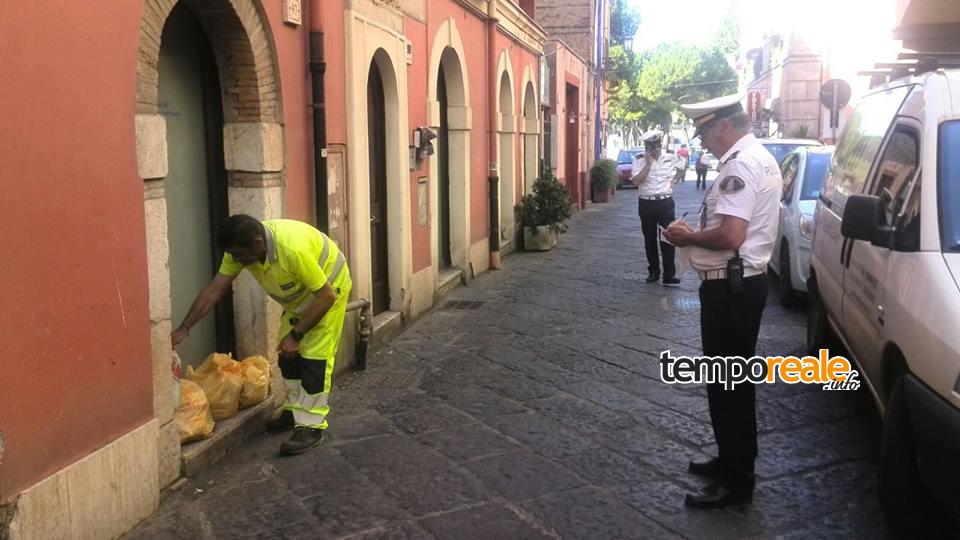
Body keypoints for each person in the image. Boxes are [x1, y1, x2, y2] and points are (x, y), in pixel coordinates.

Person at [663, 94, 782, 509]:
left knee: (728, 384)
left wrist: (687, 237)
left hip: (732, 289)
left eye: (706, 134)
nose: (704, 143)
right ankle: (731, 460)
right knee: (730, 382)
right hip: (741, 286)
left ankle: (737, 482)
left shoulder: (741, 165)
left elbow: (731, 236)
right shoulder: (758, 157)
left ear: (725, 128)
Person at [171, 215, 352, 455]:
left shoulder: (292, 250)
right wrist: (185, 327)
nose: (236, 261)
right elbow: (215, 290)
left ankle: (311, 427)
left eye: (240, 255)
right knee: (288, 360)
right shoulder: (241, 251)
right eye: (233, 255)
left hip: (329, 293)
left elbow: (326, 296)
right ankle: (295, 410)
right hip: (299, 300)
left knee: (314, 363)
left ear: (258, 244)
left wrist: (296, 336)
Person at [631, 130, 685, 285]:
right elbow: (636, 182)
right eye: (650, 148)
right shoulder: (639, 159)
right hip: (646, 203)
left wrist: (675, 180)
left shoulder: (670, 157)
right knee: (649, 239)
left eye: (656, 147)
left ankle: (669, 274)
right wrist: (648, 165)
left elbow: (682, 166)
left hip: (665, 202)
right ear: (646, 147)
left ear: (660, 145)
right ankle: (653, 271)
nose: (653, 151)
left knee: (668, 237)